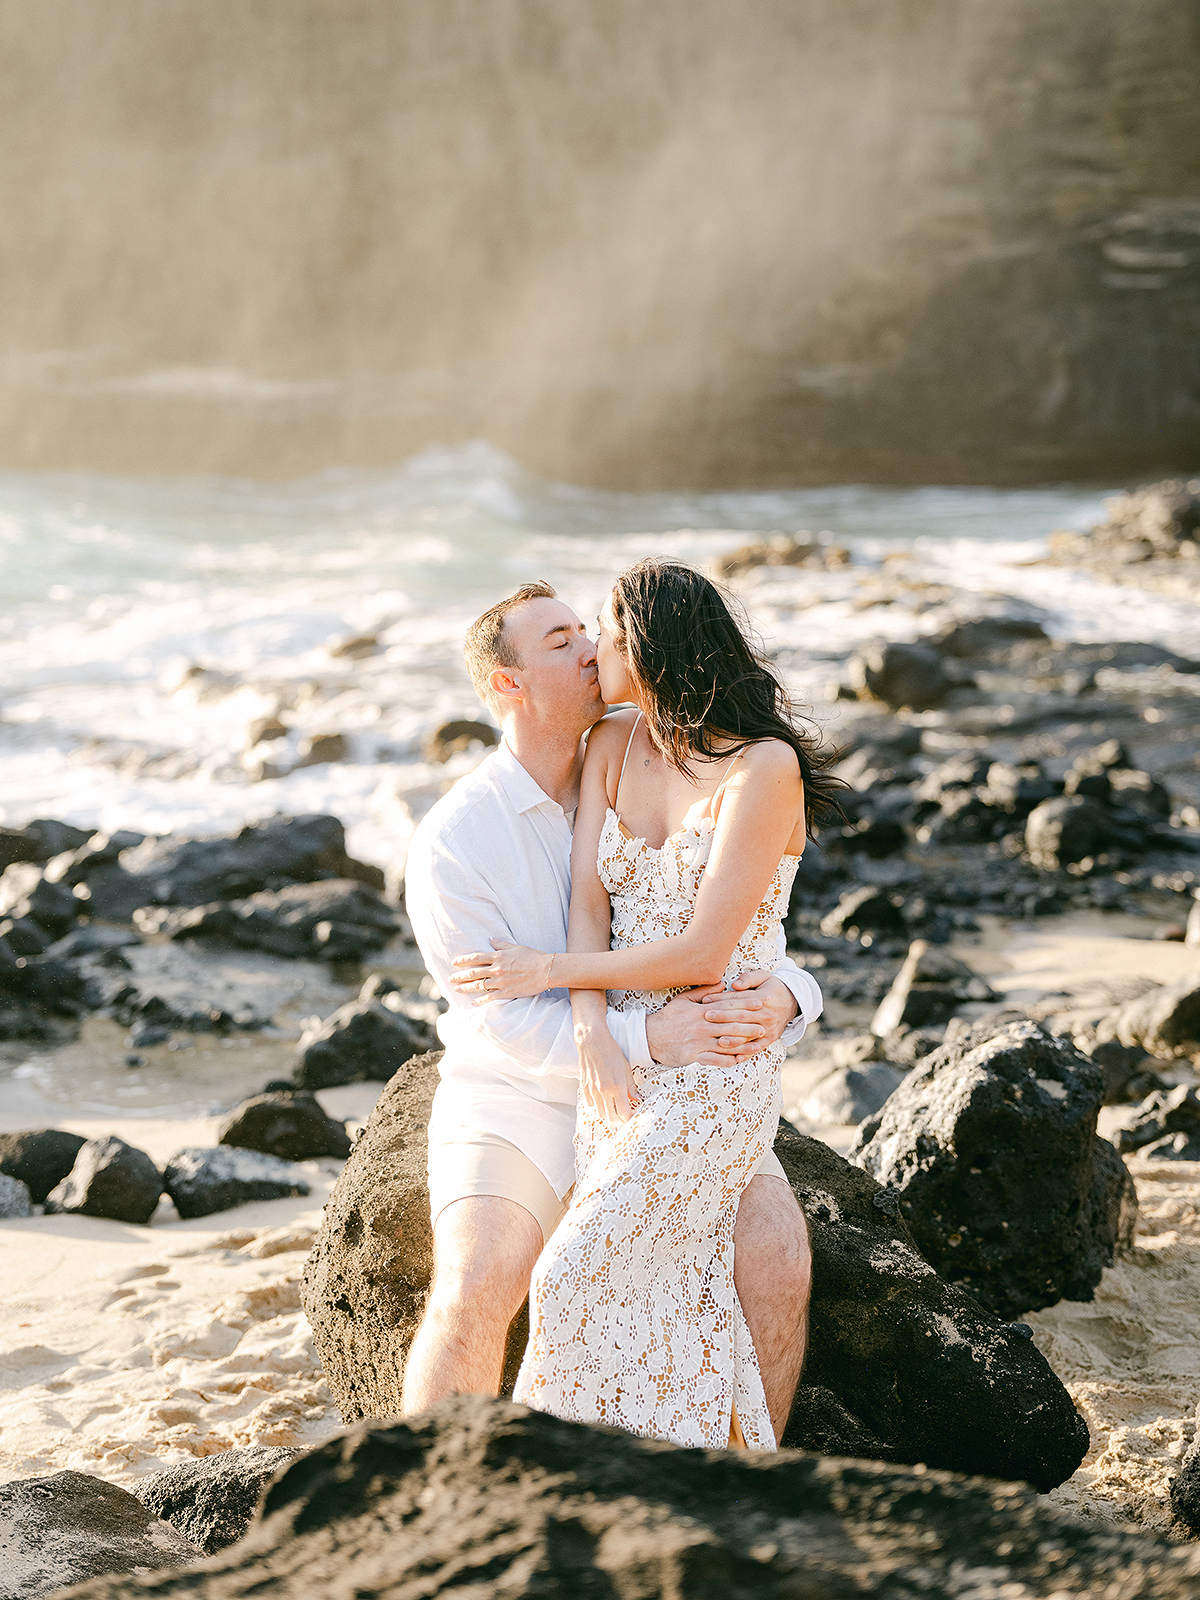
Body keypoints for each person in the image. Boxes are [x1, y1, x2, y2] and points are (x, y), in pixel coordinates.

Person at [403, 578, 824, 1442]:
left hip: (685, 1064)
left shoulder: (658, 746)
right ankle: (433, 1498)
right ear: (507, 685)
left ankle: (742, 1483)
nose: (591, 647)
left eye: (591, 630)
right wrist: (627, 1035)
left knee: (776, 1257)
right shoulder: (457, 839)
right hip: (521, 1089)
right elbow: (500, 1020)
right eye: (562, 642)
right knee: (482, 1280)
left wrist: (791, 996)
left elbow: (738, 930)